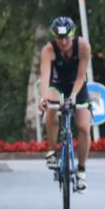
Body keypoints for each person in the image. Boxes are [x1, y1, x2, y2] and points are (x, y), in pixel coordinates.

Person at [39, 16, 92, 191]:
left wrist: (73, 97)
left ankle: (82, 170)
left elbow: (80, 77)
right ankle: (52, 150)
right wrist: (43, 99)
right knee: (51, 109)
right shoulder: (48, 50)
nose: (63, 42)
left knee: (84, 127)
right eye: (59, 38)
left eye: (66, 37)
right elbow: (45, 79)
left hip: (77, 84)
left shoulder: (83, 46)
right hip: (57, 84)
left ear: (73, 35)